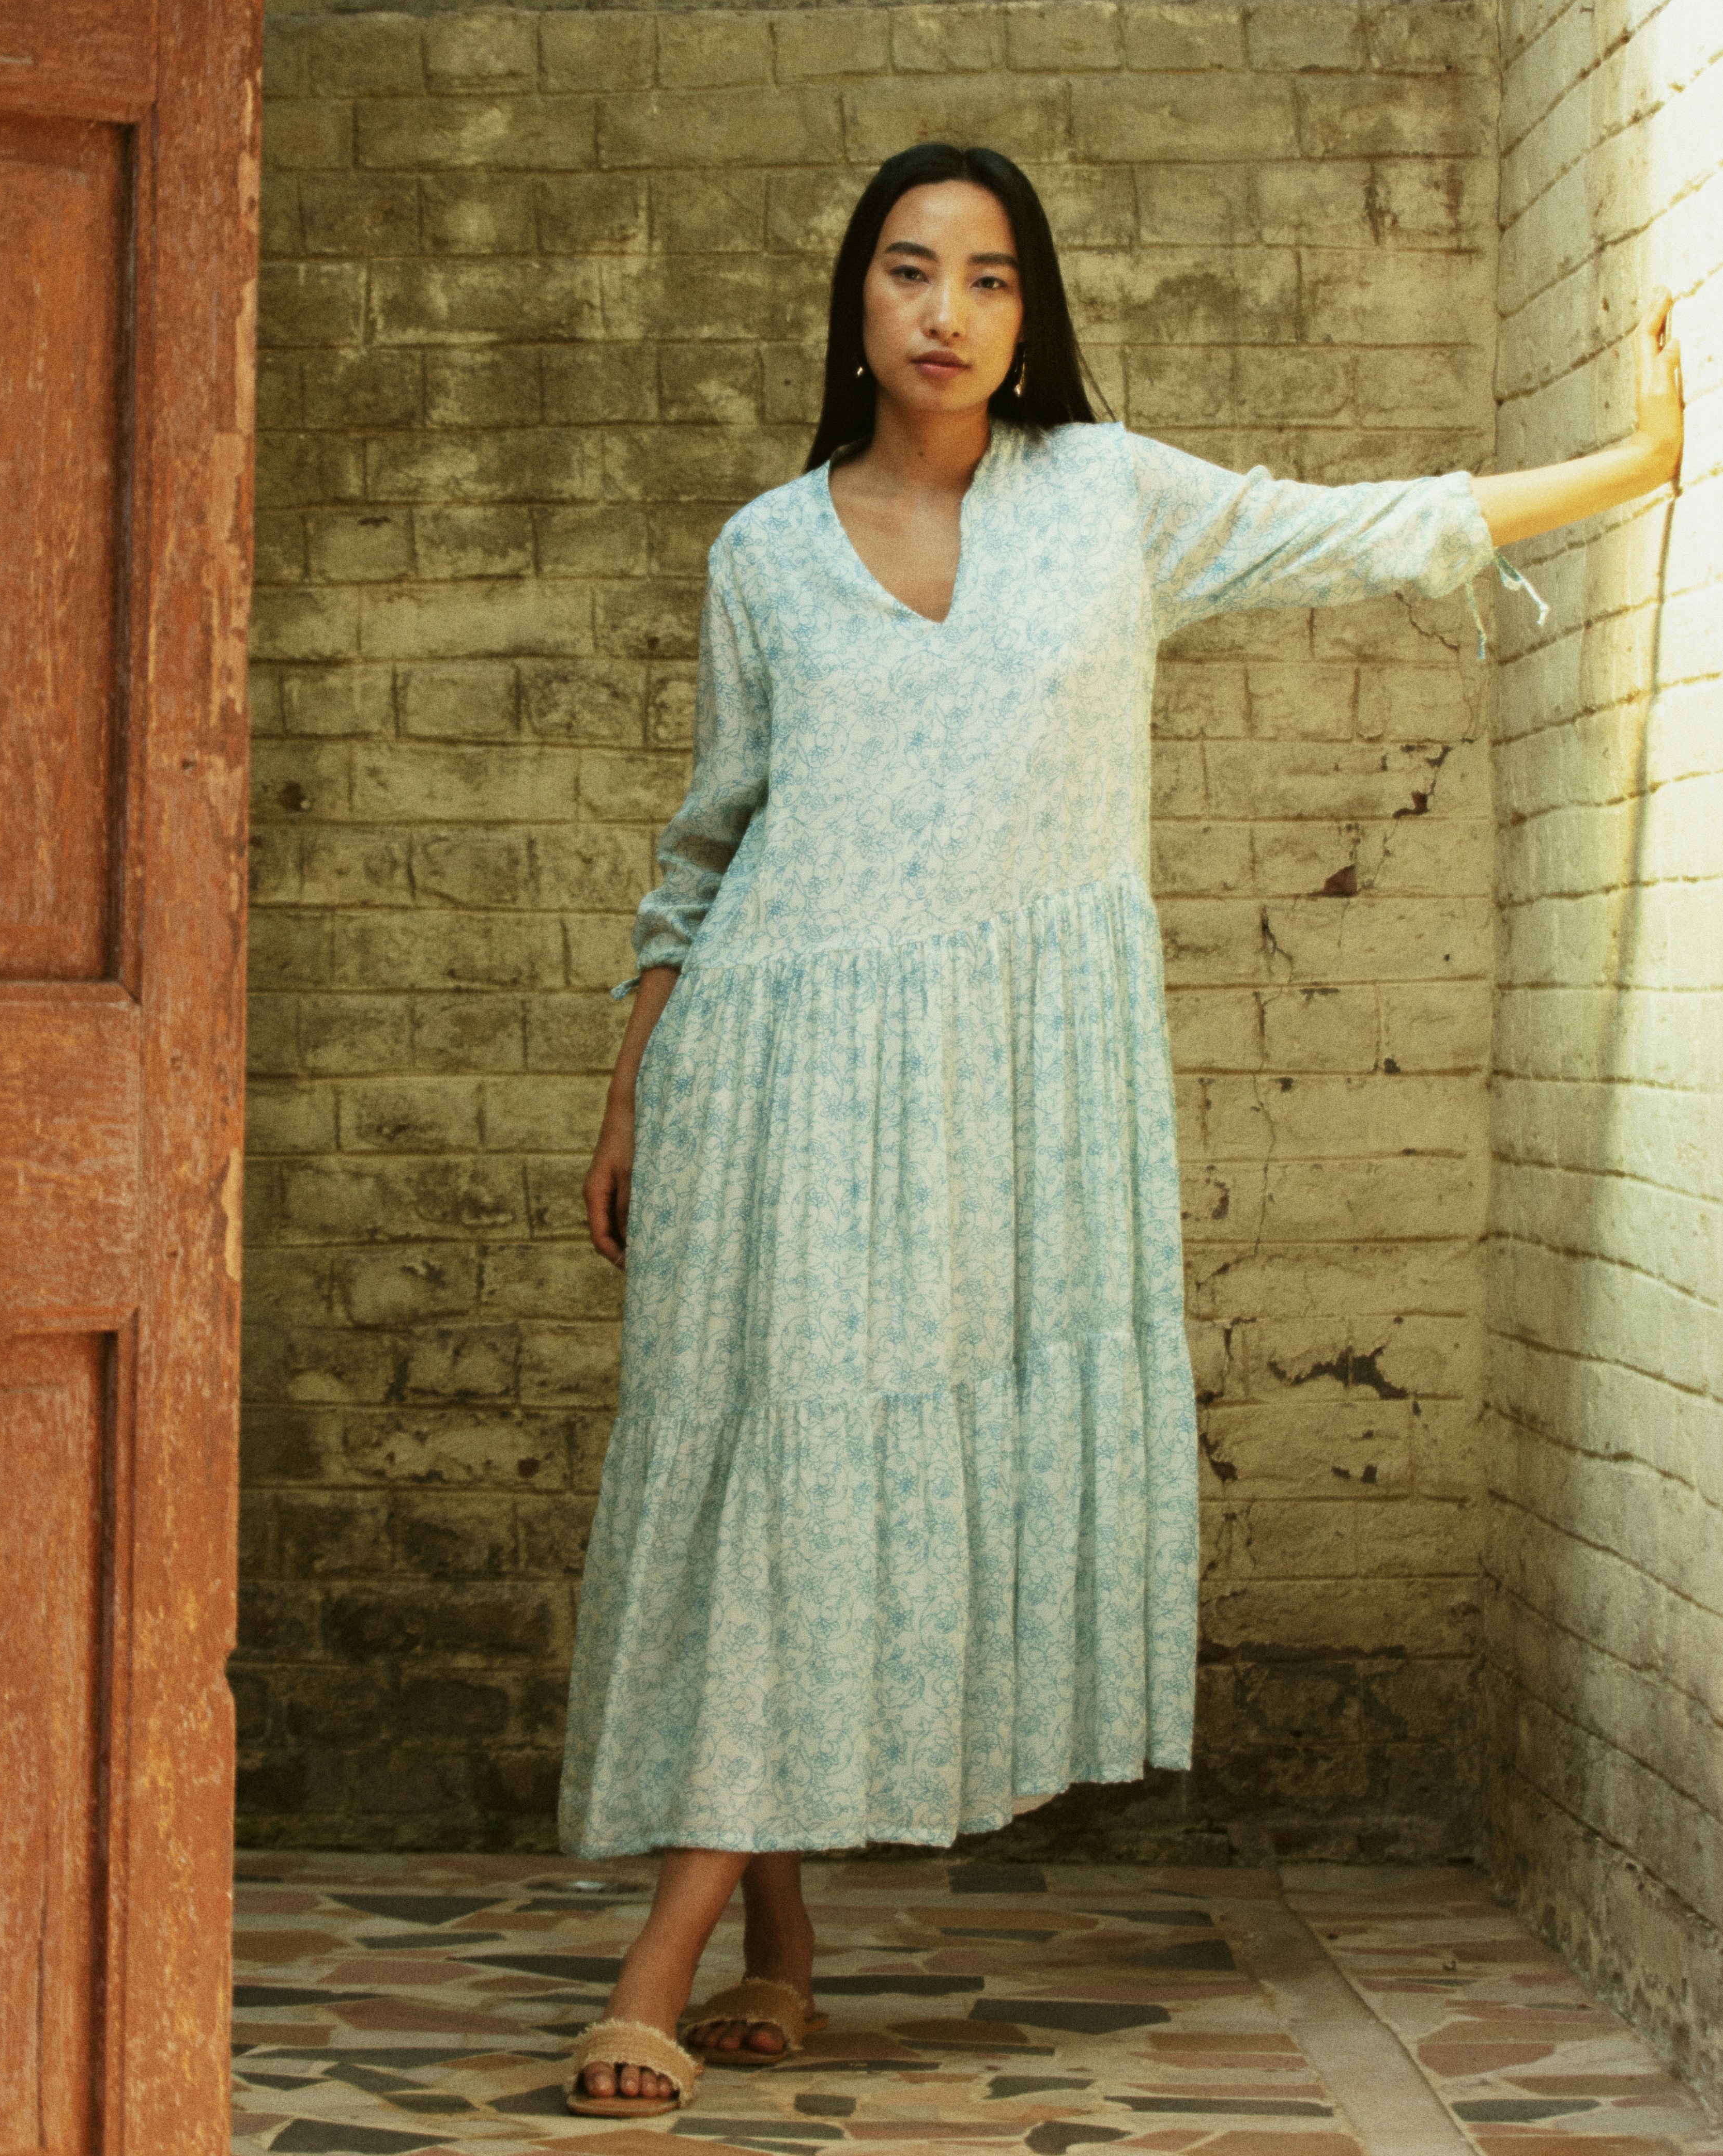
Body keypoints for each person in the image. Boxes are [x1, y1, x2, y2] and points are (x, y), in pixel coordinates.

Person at [556, 143, 1684, 2119]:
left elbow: (1362, 530)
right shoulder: (763, 549)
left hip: (990, 1085)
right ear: (855, 304)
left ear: (1028, 311)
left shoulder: (1108, 501)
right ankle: (704, 1953)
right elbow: (709, 837)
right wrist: (639, 1077)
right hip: (770, 1066)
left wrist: (1639, 463)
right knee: (770, 1469)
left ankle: (768, 1946)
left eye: (986, 278)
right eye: (907, 272)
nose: (942, 310)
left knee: (824, 1467)